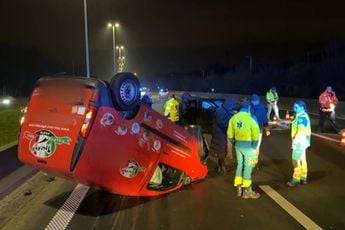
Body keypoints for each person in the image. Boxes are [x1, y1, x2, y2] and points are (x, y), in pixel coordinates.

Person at [227, 98, 261, 199]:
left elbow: (229, 134)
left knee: (240, 165)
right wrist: (254, 146)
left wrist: (235, 142)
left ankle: (238, 187)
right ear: (249, 107)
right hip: (249, 146)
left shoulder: (234, 118)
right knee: (248, 167)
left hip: (238, 145)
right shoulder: (251, 118)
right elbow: (256, 134)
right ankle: (247, 191)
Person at [210, 98, 238, 174]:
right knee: (221, 150)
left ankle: (220, 167)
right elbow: (223, 123)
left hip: (220, 133)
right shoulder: (220, 111)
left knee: (221, 151)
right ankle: (222, 168)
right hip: (220, 134)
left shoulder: (222, 109)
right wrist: (231, 124)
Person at [286, 101, 311, 187]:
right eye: (294, 106)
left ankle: (295, 179)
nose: (294, 108)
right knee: (302, 160)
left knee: (295, 160)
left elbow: (300, 131)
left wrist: (295, 142)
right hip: (303, 142)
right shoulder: (299, 116)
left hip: (299, 142)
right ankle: (303, 178)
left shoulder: (302, 118)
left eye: (296, 107)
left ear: (302, 108)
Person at [250, 94, 270, 165]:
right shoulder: (249, 108)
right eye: (253, 101)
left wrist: (267, 129)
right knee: (251, 148)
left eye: (256, 101)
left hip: (258, 131)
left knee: (256, 147)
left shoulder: (261, 109)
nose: (255, 102)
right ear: (251, 101)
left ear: (258, 101)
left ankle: (253, 163)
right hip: (249, 131)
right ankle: (251, 163)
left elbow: (265, 120)